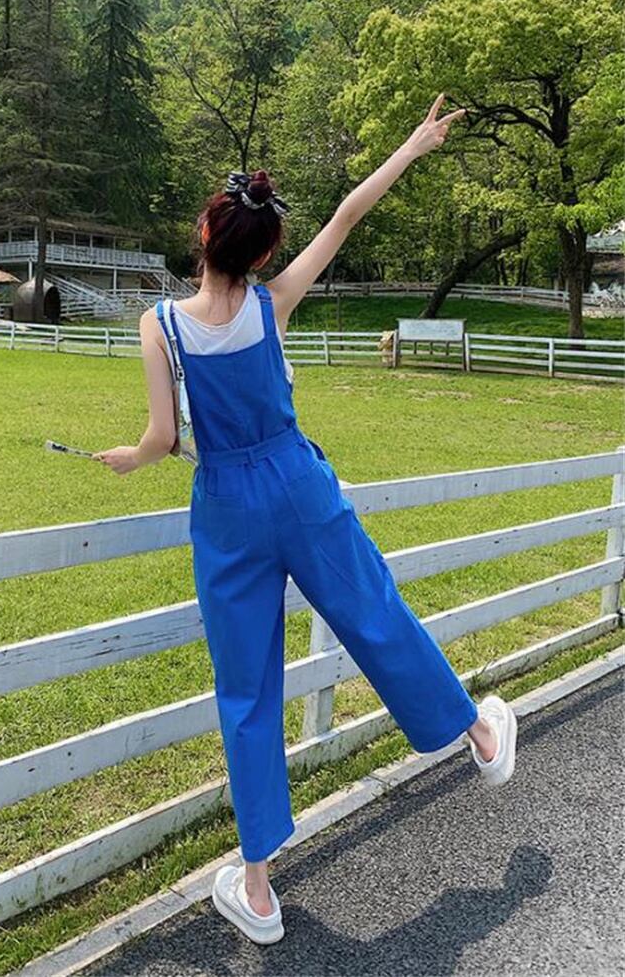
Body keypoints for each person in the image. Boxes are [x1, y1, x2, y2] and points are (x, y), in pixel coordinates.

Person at [93, 93, 517, 945]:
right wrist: (413, 145)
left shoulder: (159, 326)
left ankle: (257, 888)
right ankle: (478, 733)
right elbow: (349, 214)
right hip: (297, 481)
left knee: (247, 688)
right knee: (374, 611)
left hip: (226, 507)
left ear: (204, 235)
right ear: (262, 250)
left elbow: (163, 438)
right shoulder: (271, 302)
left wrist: (131, 458)